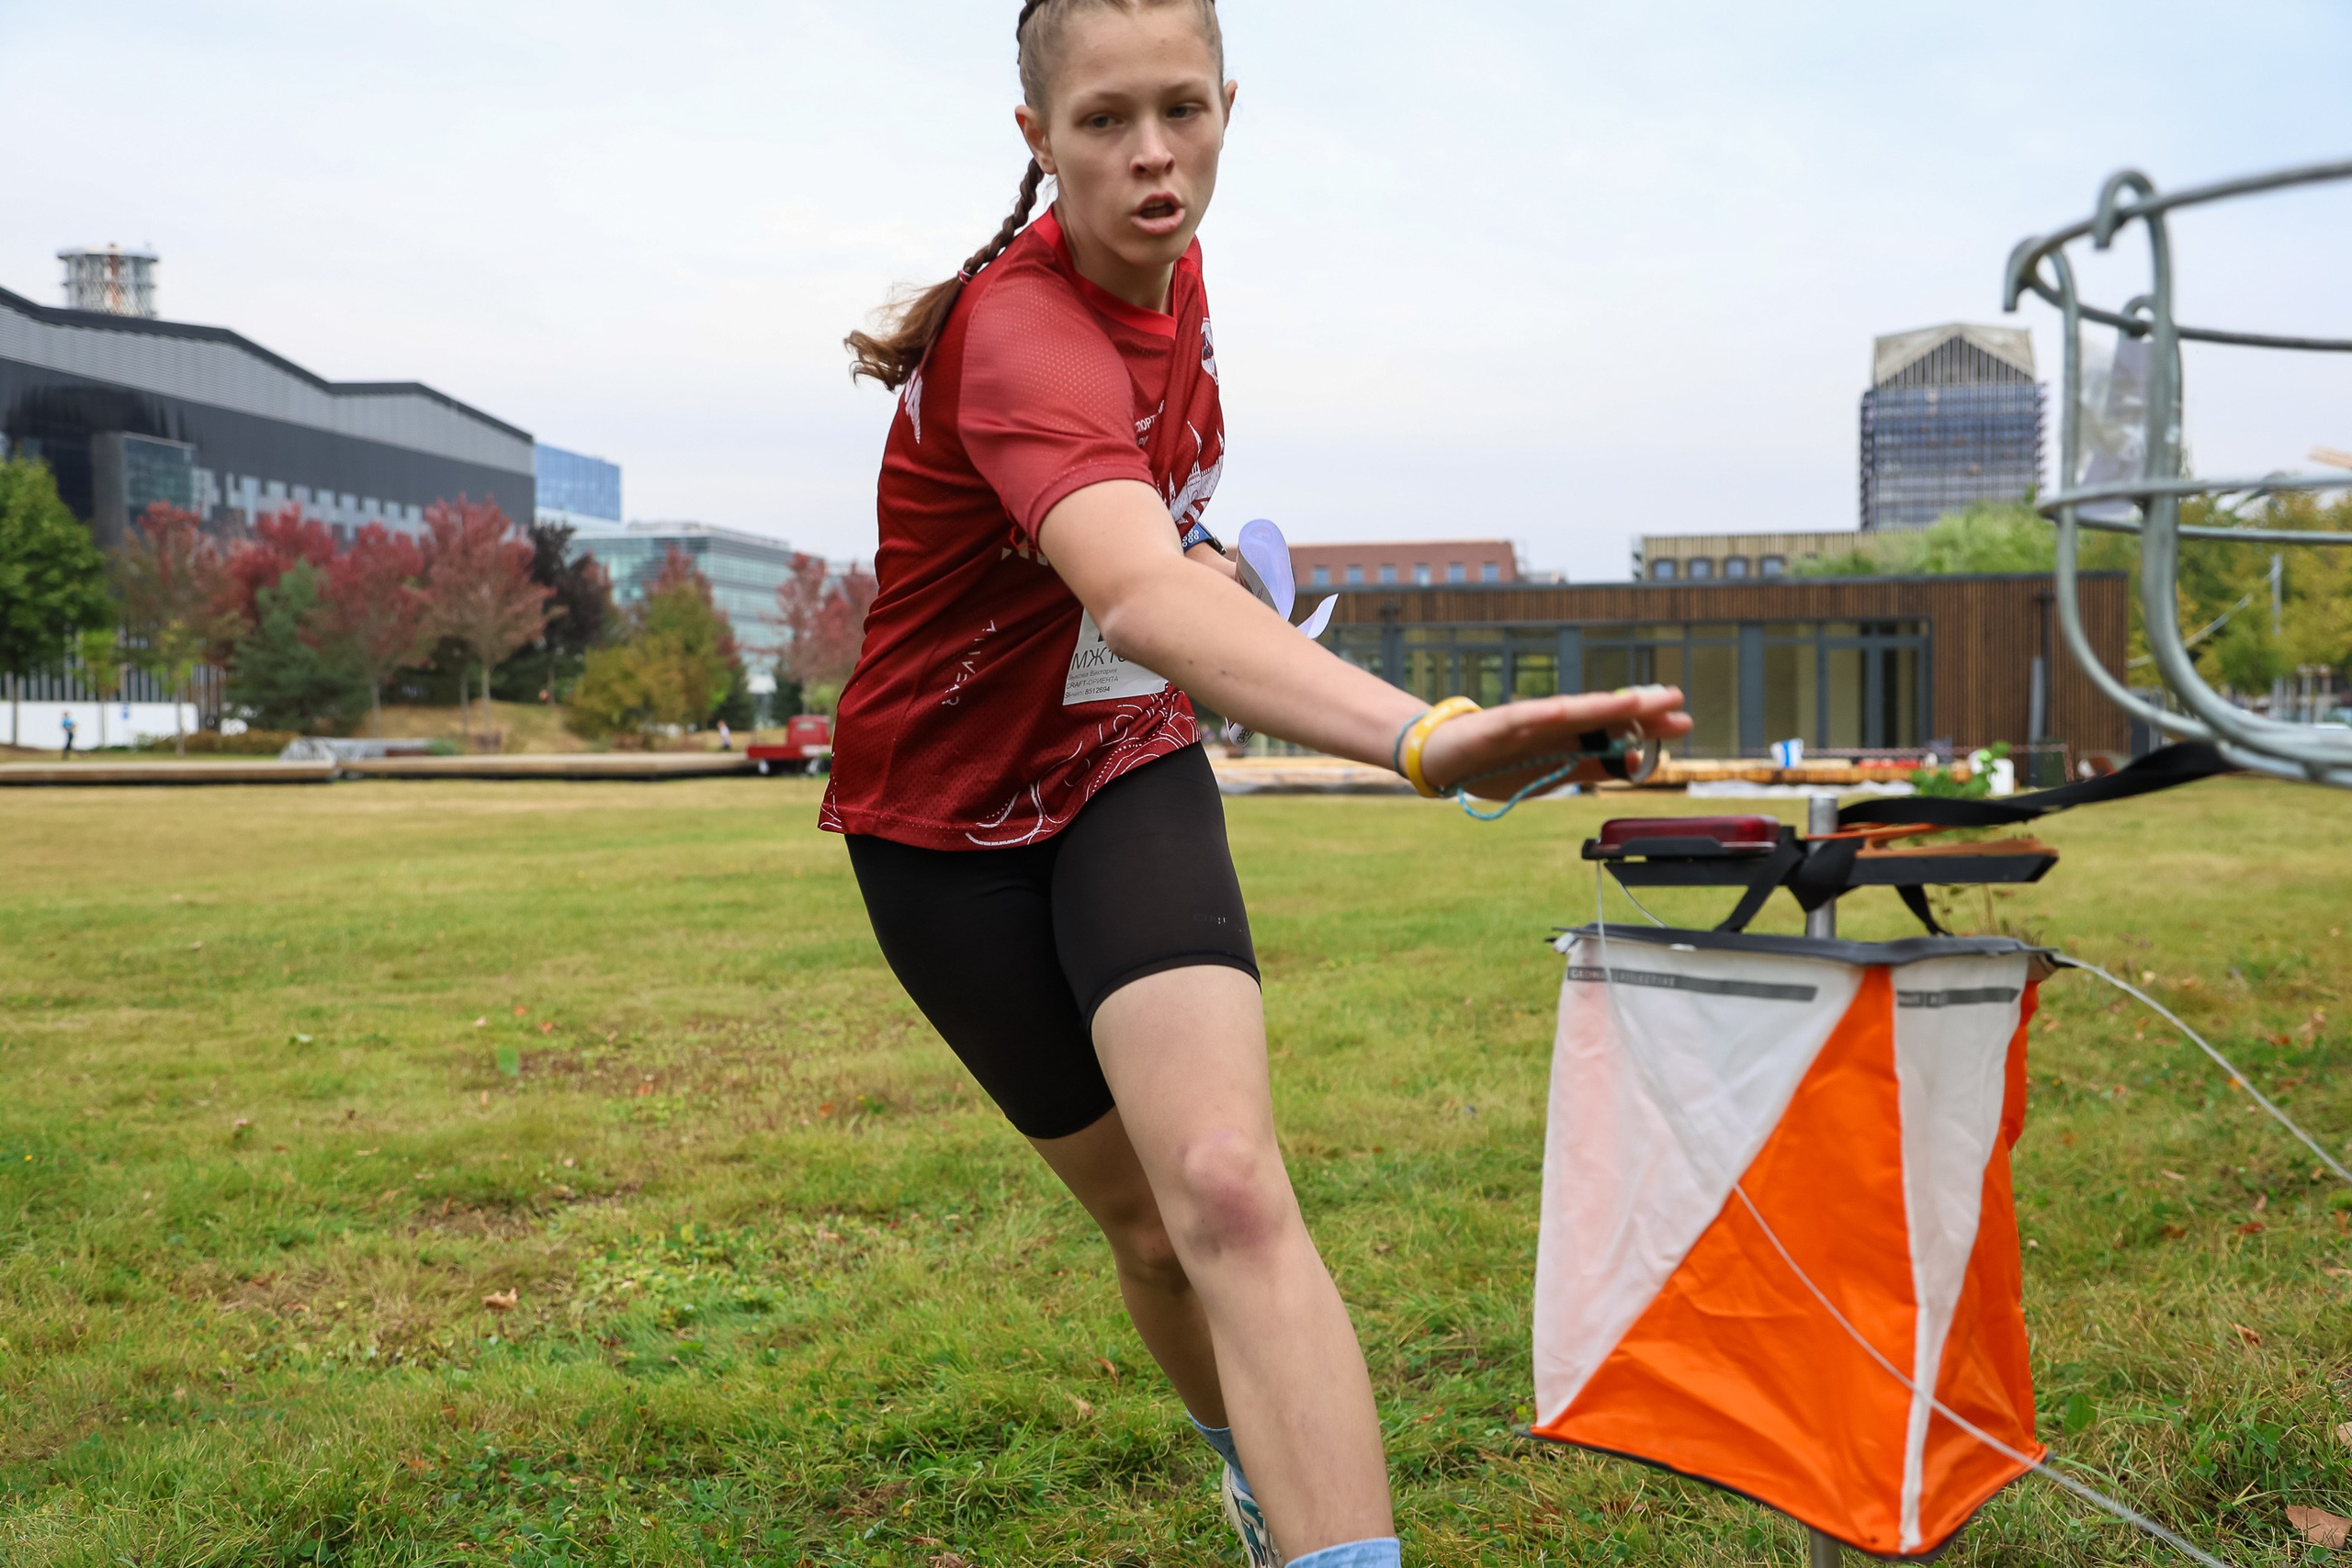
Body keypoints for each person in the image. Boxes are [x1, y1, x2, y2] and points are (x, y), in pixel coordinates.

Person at [823, 5, 1692, 1565]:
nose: (1153, 157)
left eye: (1181, 112)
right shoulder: (1018, 333)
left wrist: (1220, 563)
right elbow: (1141, 599)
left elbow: (1156, 573)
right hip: (940, 828)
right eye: (1103, 123)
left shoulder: (1178, 268)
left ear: (1230, 104)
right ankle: (1247, 1456)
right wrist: (1426, 738)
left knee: (1223, 1180)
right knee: (1148, 1227)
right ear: (1037, 139)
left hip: (1125, 764)